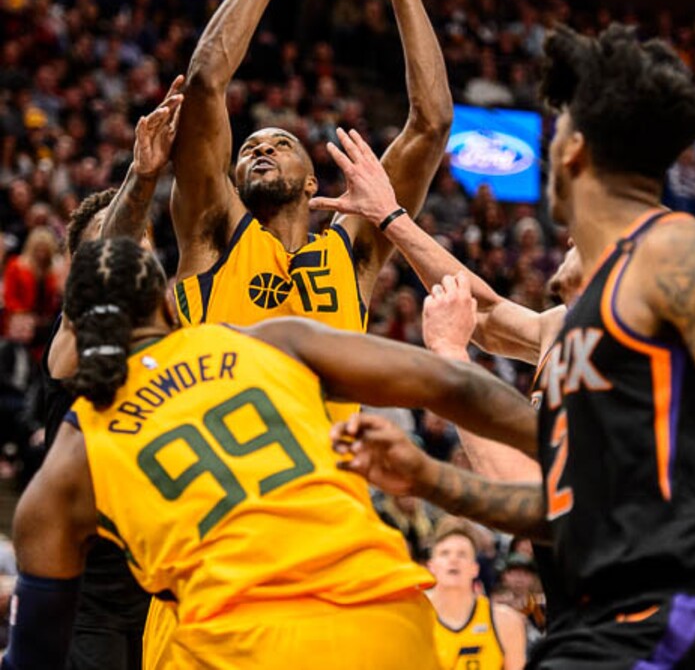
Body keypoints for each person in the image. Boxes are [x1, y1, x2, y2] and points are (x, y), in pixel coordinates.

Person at [333, 24, 695, 670]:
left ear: (574, 151)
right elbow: (549, 504)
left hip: (660, 618)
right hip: (586, 619)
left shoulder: (671, 253)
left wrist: (447, 365)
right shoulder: (581, 317)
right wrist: (429, 478)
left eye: (555, 130)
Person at [6, 236, 539, 670]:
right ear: (168, 304)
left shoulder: (70, 461)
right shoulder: (269, 340)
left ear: (71, 328)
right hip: (385, 624)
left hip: (243, 645)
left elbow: (35, 656)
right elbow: (453, 385)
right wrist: (558, 443)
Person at [170, 0, 453, 414]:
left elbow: (432, 123)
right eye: (250, 146)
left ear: (310, 182)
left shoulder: (352, 254)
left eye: (280, 144)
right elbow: (206, 81)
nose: (260, 148)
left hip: (324, 483)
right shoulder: (212, 232)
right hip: (222, 479)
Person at [39, 80, 184, 670]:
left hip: (164, 593)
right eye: (115, 243)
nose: (129, 254)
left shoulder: (178, 335)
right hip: (89, 600)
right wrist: (142, 179)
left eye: (142, 242)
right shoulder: (74, 329)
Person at [428, 519, 526, 670]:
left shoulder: (505, 622)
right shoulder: (414, 619)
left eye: (462, 554)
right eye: (444, 553)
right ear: (431, 566)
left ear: (475, 568)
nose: (453, 560)